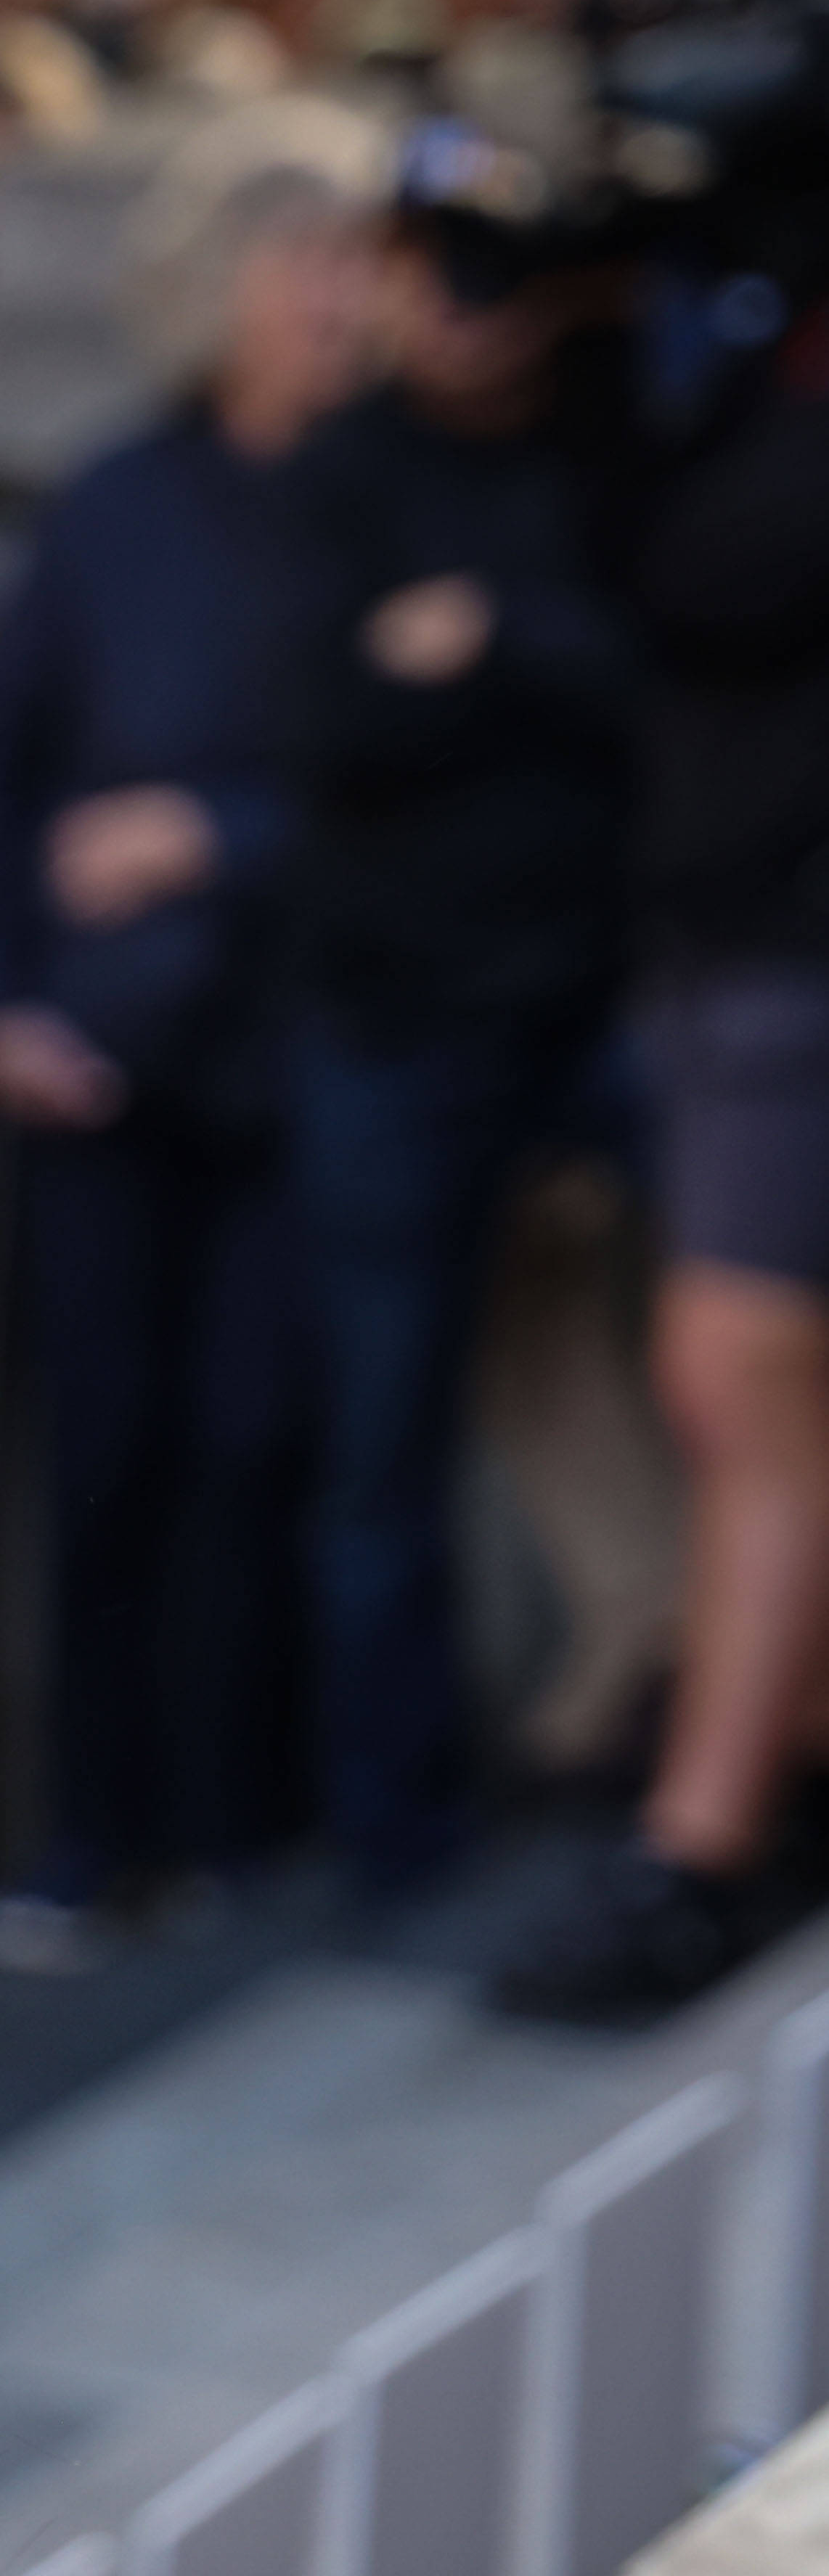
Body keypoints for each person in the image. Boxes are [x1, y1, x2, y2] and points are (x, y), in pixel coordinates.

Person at [0, 113, 380, 1953]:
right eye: (308, 264)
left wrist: (218, 831)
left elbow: (425, 780)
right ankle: (96, 1837)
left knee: (261, 1438)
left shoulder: (383, 503)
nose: (341, 300)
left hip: (300, 1052)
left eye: (356, 265)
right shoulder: (111, 503)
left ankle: (250, 1825)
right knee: (103, 1455)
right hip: (94, 1062)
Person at [274, 192, 641, 1913]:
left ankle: (697, 1741)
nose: (470, 311)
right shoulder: (336, 469)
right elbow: (319, 718)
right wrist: (503, 673)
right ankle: (391, 1830)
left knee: (716, 1363)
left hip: (605, 995)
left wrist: (488, 640)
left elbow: (661, 674)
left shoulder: (612, 430)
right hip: (394, 1018)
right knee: (381, 1442)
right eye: (441, 271)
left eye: (504, 274)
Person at [491, 182, 829, 2015]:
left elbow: (702, 569)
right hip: (736, 944)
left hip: (790, 949)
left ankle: (707, 1841)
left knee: (734, 1370)